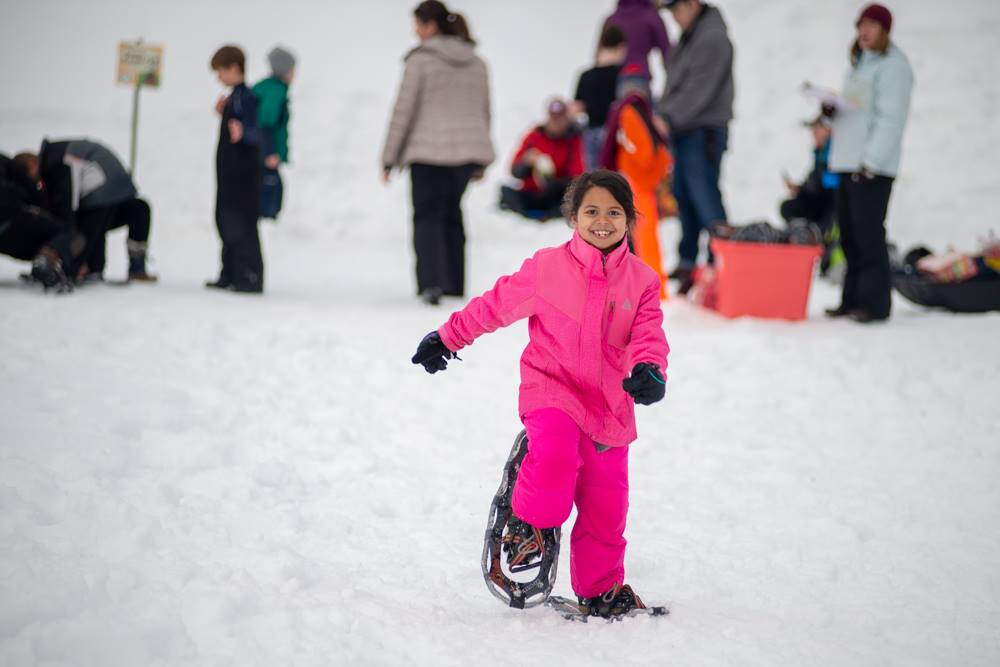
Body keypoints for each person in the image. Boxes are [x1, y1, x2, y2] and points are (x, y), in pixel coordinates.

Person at [411, 170, 670, 618]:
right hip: (552, 389)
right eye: (591, 211)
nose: (602, 221)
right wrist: (449, 337)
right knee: (553, 457)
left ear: (630, 219)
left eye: (614, 212)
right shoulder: (548, 267)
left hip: (609, 408)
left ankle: (600, 590)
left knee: (606, 509)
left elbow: (648, 335)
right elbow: (496, 305)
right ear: (573, 217)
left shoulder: (642, 282)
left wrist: (649, 368)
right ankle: (528, 520)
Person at [381, 0, 494, 306]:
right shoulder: (477, 62)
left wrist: (389, 157)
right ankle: (455, 283)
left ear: (431, 25)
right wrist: (482, 155)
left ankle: (431, 284)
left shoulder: (421, 60)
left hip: (427, 154)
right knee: (452, 214)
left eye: (418, 24)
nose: (415, 31)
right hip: (465, 157)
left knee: (427, 216)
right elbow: (483, 110)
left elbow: (403, 110)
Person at [825, 3, 913, 323]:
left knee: (868, 233)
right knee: (847, 234)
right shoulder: (859, 65)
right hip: (847, 163)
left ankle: (875, 304)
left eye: (872, 25)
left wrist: (871, 162)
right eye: (861, 24)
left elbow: (891, 120)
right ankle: (851, 299)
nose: (864, 31)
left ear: (885, 31)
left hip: (871, 167)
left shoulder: (894, 68)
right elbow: (858, 111)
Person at [656, 0, 734, 294]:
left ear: (691, 4)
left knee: (705, 196)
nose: (675, 17)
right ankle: (688, 260)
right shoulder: (691, 37)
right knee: (684, 196)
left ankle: (721, 260)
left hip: (703, 130)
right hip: (685, 130)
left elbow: (700, 88)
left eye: (677, 9)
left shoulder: (711, 37)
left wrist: (668, 116)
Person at [18, 140, 156, 282]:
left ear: (32, 164)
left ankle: (83, 269)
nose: (34, 184)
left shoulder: (55, 163)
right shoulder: (59, 155)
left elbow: (68, 209)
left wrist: (74, 257)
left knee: (88, 225)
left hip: (99, 194)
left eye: (28, 179)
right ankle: (133, 269)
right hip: (114, 189)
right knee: (139, 210)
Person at [600, 67, 672, 297]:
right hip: (640, 181)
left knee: (643, 233)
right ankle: (652, 285)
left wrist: (632, 168)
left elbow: (642, 153)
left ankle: (652, 288)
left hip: (638, 181)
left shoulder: (628, 111)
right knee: (642, 233)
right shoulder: (641, 111)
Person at [207, 45, 264, 294]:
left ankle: (248, 276)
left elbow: (258, 132)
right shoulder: (233, 98)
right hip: (228, 177)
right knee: (225, 222)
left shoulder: (246, 97)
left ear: (234, 68)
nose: (219, 77)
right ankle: (229, 272)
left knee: (241, 225)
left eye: (221, 71)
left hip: (242, 179)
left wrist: (245, 134)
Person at [0, 153, 78, 291]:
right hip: (8, 214)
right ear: (32, 163)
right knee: (66, 231)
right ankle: (45, 260)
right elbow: (33, 192)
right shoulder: (12, 167)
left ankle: (43, 258)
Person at [499, 99, 584, 221]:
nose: (556, 123)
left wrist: (553, 183)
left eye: (559, 119)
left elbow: (577, 175)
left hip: (557, 192)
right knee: (507, 192)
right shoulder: (534, 136)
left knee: (572, 200)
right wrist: (526, 162)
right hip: (531, 192)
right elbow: (514, 171)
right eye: (553, 119)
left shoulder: (573, 140)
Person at [780, 116, 842, 276]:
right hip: (820, 202)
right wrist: (799, 189)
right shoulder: (820, 154)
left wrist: (805, 190)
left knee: (827, 219)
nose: (813, 134)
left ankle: (822, 248)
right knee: (788, 207)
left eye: (816, 130)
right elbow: (815, 185)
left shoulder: (834, 155)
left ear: (829, 130)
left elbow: (828, 190)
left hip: (831, 207)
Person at [573, 25, 627, 170]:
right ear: (621, 47)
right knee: (616, 180)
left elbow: (576, 108)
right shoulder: (622, 76)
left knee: (594, 178)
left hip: (590, 132)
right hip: (615, 134)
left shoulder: (585, 75)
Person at [253, 46, 295, 221]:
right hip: (263, 153)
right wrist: (270, 152)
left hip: (258, 151)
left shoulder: (269, 88)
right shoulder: (274, 91)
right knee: (270, 192)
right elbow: (265, 123)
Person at [602, 0, 671, 97]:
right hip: (636, 78)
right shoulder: (650, 16)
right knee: (639, 110)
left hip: (608, 81)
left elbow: (599, 55)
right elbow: (669, 55)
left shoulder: (611, 19)